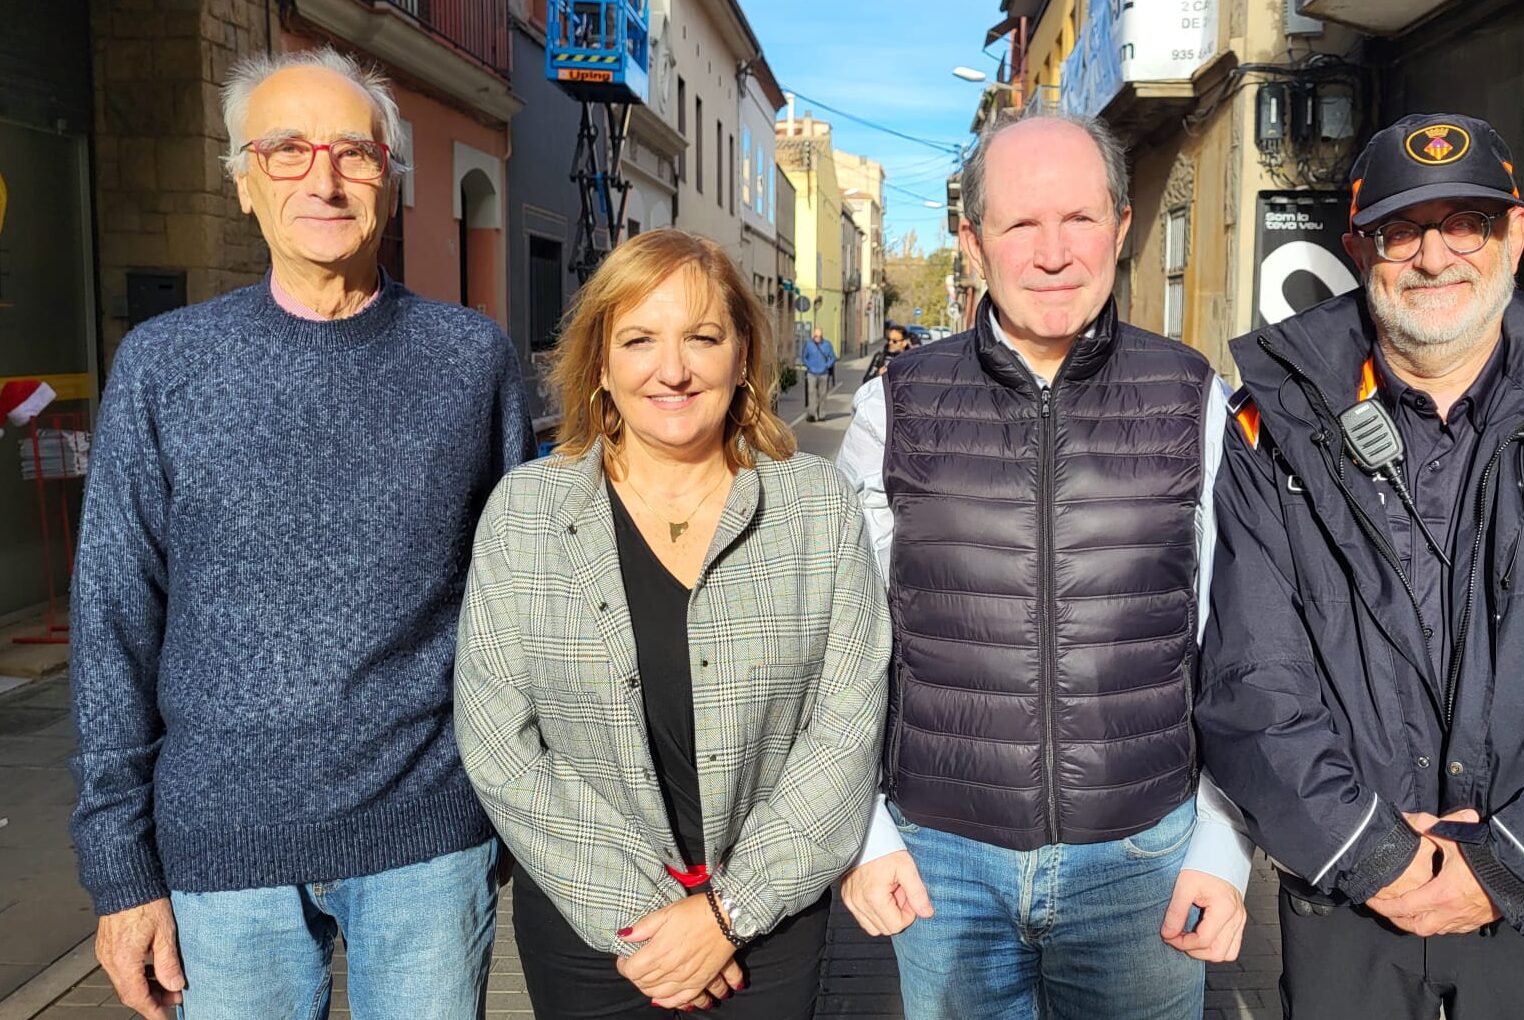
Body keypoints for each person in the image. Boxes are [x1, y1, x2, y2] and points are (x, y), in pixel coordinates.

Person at [1198, 113, 1524, 1019]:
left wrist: (1506, 868)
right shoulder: (1270, 427)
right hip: (1354, 892)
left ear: (1513, 234)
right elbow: (1250, 674)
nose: (1434, 256)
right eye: (1402, 229)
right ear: (1358, 246)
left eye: (1465, 223)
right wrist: (1369, 856)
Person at [68, 48, 531, 1020]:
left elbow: (515, 601)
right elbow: (112, 620)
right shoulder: (163, 368)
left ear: (391, 182)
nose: (322, 179)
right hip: (221, 853)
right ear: (242, 182)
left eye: (353, 154)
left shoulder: (469, 360)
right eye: (285, 151)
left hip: (427, 842)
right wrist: (119, 872)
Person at [835, 111, 1254, 1020]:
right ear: (973, 242)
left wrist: (1223, 848)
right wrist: (864, 837)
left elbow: (1241, 644)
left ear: (1121, 227)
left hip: (1142, 858)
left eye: (1080, 219)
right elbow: (843, 649)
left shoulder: (1194, 400)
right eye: (1021, 224)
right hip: (941, 859)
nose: (1054, 253)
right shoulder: (893, 408)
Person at [453, 228, 889, 1018]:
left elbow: (846, 729)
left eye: (702, 337)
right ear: (600, 363)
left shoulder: (816, 508)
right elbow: (499, 746)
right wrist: (649, 924)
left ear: (743, 355)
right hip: (591, 925)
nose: (674, 369)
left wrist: (728, 916)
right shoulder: (525, 514)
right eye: (640, 339)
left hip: (770, 925)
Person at [800, 325, 837, 421]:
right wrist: (809, 365)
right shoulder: (809, 345)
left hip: (823, 373)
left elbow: (832, 357)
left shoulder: (827, 345)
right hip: (811, 373)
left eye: (819, 336)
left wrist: (826, 365)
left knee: (822, 394)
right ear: (813, 335)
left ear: (822, 336)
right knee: (811, 393)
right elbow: (804, 357)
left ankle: (821, 415)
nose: (818, 338)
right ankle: (812, 414)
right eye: (816, 336)